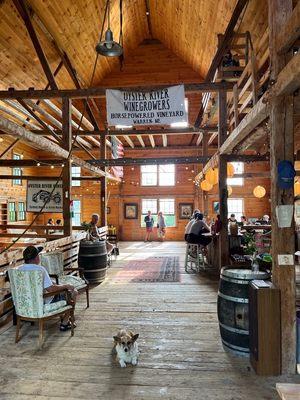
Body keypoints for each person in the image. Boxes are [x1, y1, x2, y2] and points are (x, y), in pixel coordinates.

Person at [19, 245, 77, 331]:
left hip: (25, 306)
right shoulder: (40, 270)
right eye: (38, 255)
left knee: (63, 289)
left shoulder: (18, 270)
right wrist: (66, 286)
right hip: (42, 303)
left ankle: (68, 319)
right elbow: (51, 289)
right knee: (73, 292)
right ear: (36, 258)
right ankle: (65, 323)